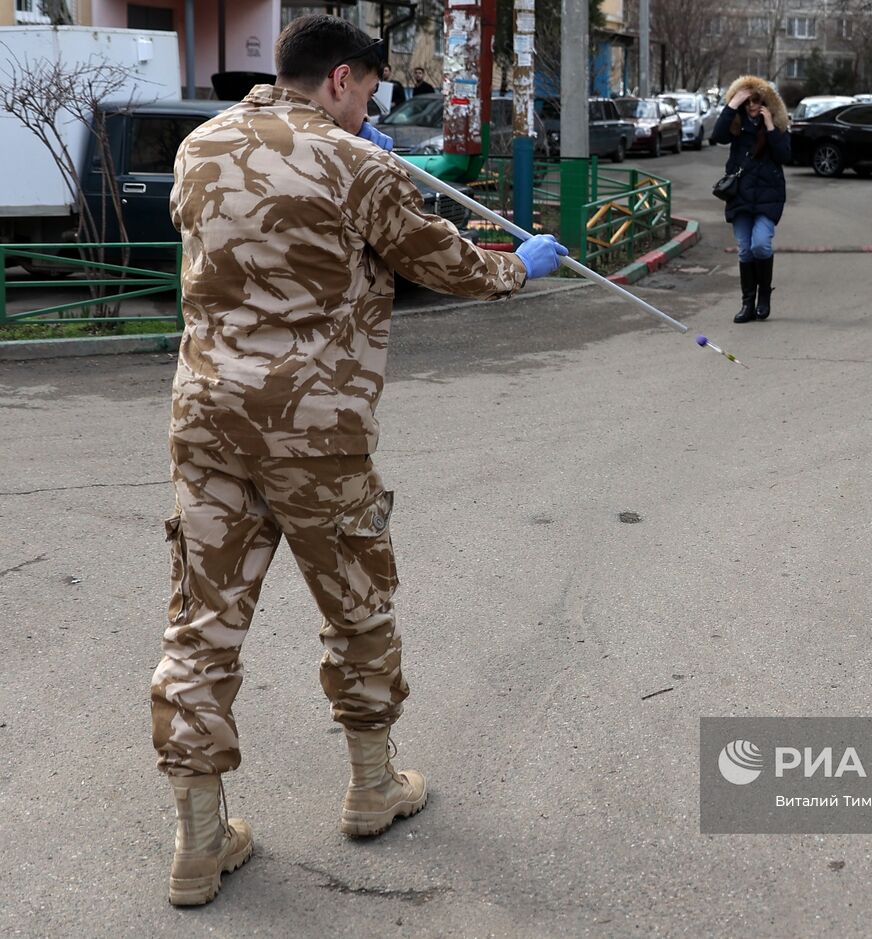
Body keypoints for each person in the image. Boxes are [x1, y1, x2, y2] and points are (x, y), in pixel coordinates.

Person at [152, 13, 568, 908]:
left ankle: (196, 837)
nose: (372, 105)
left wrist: (348, 157)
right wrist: (520, 267)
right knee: (357, 605)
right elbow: (443, 260)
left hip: (207, 418)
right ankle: (372, 787)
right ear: (342, 79)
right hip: (316, 428)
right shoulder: (362, 164)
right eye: (371, 90)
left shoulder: (199, 145)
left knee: (202, 621)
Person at [710, 75, 790, 323]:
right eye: (747, 102)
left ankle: (763, 298)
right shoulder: (736, 126)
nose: (752, 106)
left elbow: (785, 155)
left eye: (756, 100)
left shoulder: (776, 126)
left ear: (766, 101)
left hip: (768, 196)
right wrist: (732, 104)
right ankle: (747, 304)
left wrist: (769, 126)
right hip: (740, 196)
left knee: (761, 244)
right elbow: (717, 136)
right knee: (745, 250)